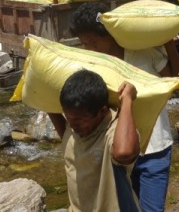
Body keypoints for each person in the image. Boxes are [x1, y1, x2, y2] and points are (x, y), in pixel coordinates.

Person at [69, 2, 179, 212]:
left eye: (93, 42)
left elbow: (174, 79)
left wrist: (169, 44)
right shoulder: (94, 65)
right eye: (84, 44)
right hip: (116, 150)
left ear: (110, 34)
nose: (89, 49)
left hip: (154, 147)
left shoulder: (142, 52)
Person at [47, 69, 140, 212]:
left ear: (102, 112)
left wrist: (127, 100)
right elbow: (67, 134)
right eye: (68, 118)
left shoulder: (113, 131)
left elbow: (124, 153)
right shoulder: (74, 127)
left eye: (79, 120)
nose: (72, 125)